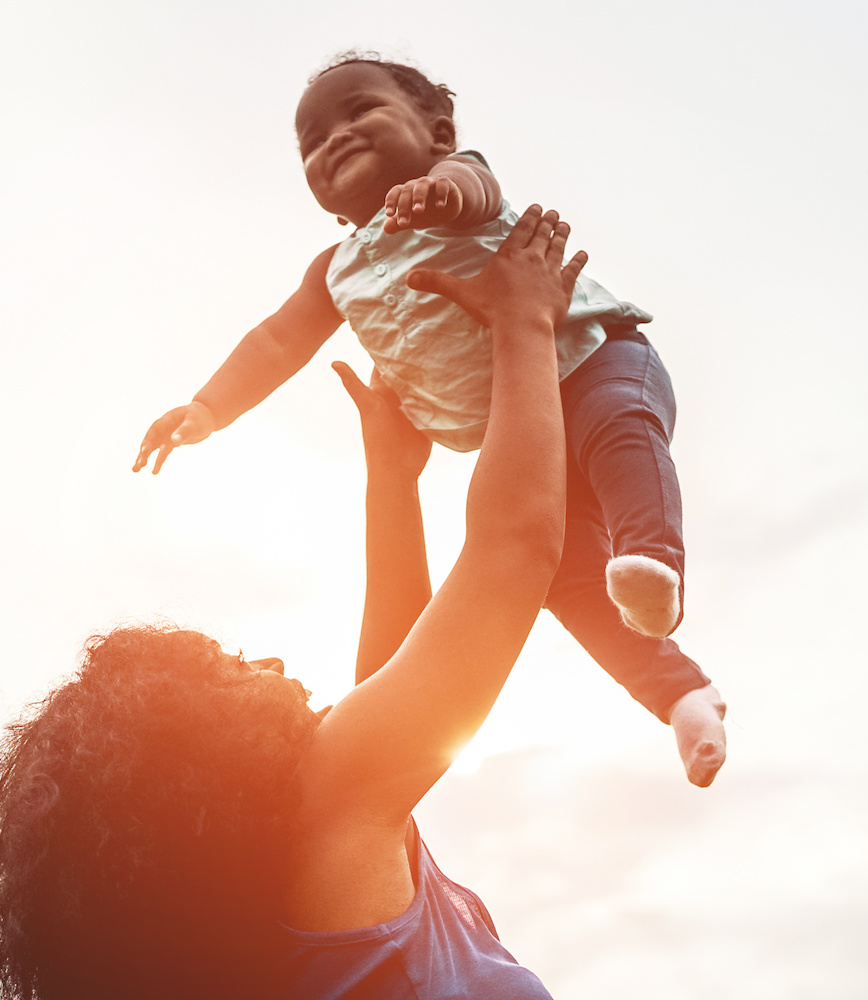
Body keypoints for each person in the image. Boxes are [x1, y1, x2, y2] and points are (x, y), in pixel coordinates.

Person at [0, 207, 578, 998]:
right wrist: (525, 323)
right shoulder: (329, 810)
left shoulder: (287, 896)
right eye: (226, 671)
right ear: (192, 763)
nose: (265, 661)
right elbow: (515, 546)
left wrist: (393, 478)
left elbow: (401, 677)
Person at [132, 53, 726, 786]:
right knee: (564, 581)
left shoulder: (457, 178)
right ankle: (682, 694)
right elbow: (277, 339)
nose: (335, 137)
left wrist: (436, 199)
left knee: (620, 431)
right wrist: (208, 407)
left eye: (359, 112)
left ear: (438, 131)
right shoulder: (335, 270)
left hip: (596, 359)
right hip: (524, 432)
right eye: (313, 138)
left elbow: (472, 192)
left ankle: (655, 561)